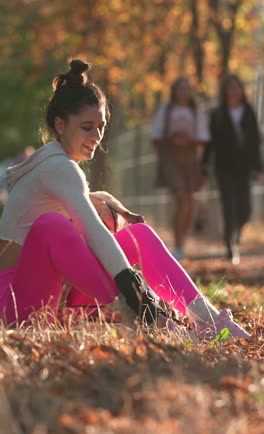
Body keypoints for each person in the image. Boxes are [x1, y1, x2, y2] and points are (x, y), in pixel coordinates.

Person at [0, 59, 250, 340]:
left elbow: (86, 205)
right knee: (51, 225)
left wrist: (105, 200)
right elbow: (93, 231)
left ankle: (208, 319)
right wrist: (134, 291)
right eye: (86, 127)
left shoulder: (57, 162)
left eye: (101, 126)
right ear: (60, 124)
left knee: (138, 235)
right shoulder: (58, 166)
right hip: (14, 305)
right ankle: (147, 315)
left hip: (55, 296)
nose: (96, 136)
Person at [203, 73, 263, 264]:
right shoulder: (218, 113)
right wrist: (204, 165)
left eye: (237, 87)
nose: (234, 91)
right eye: (230, 88)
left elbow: (255, 142)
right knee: (228, 206)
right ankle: (231, 246)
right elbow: (209, 142)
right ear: (225, 91)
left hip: (244, 168)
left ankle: (235, 233)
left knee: (245, 208)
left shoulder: (248, 111)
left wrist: (258, 167)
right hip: (223, 167)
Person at [151, 77, 210, 261]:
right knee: (182, 199)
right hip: (171, 159)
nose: (184, 92)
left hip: (190, 159)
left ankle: (180, 241)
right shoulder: (165, 112)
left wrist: (188, 140)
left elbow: (202, 138)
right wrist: (173, 140)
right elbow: (156, 137)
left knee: (189, 204)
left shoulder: (195, 112)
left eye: (187, 89)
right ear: (174, 91)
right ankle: (177, 244)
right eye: (181, 88)